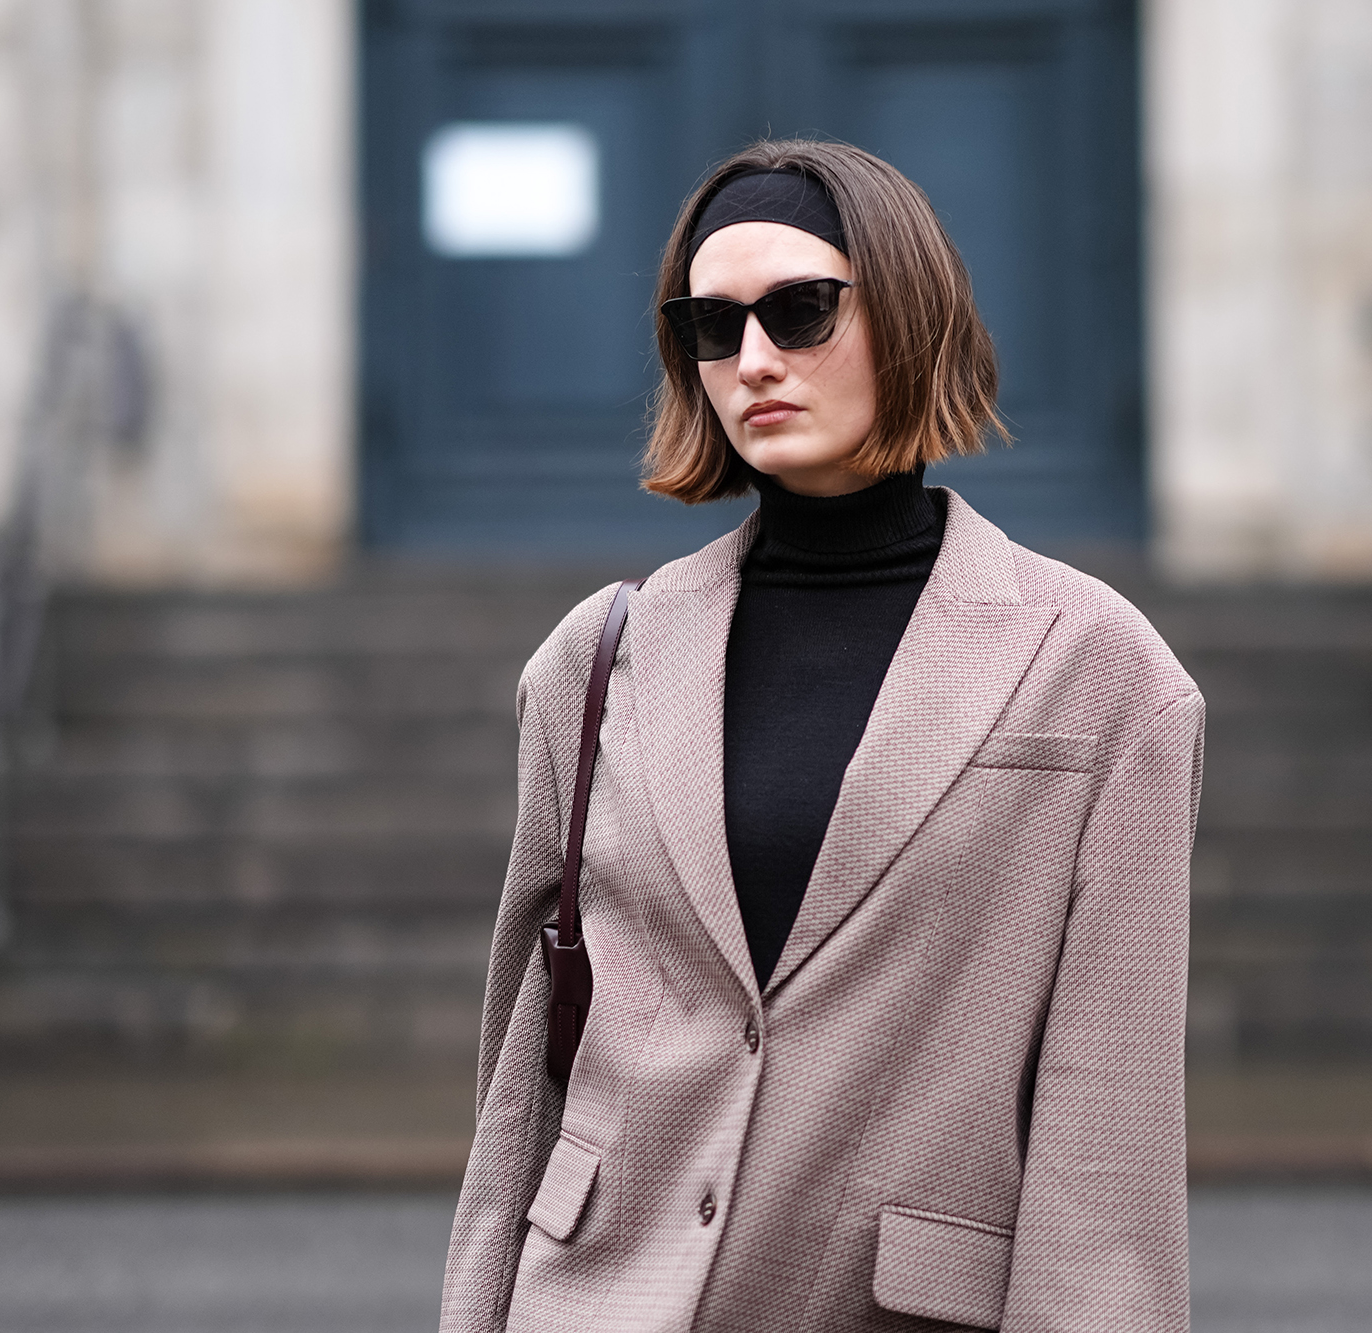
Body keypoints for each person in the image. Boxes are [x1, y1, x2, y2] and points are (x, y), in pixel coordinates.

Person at [439, 140, 1203, 1333]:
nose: (753, 360)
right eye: (711, 325)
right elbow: (518, 1090)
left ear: (905, 312)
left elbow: (1107, 1158)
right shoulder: (594, 661)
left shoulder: (1102, 676)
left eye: (799, 311)